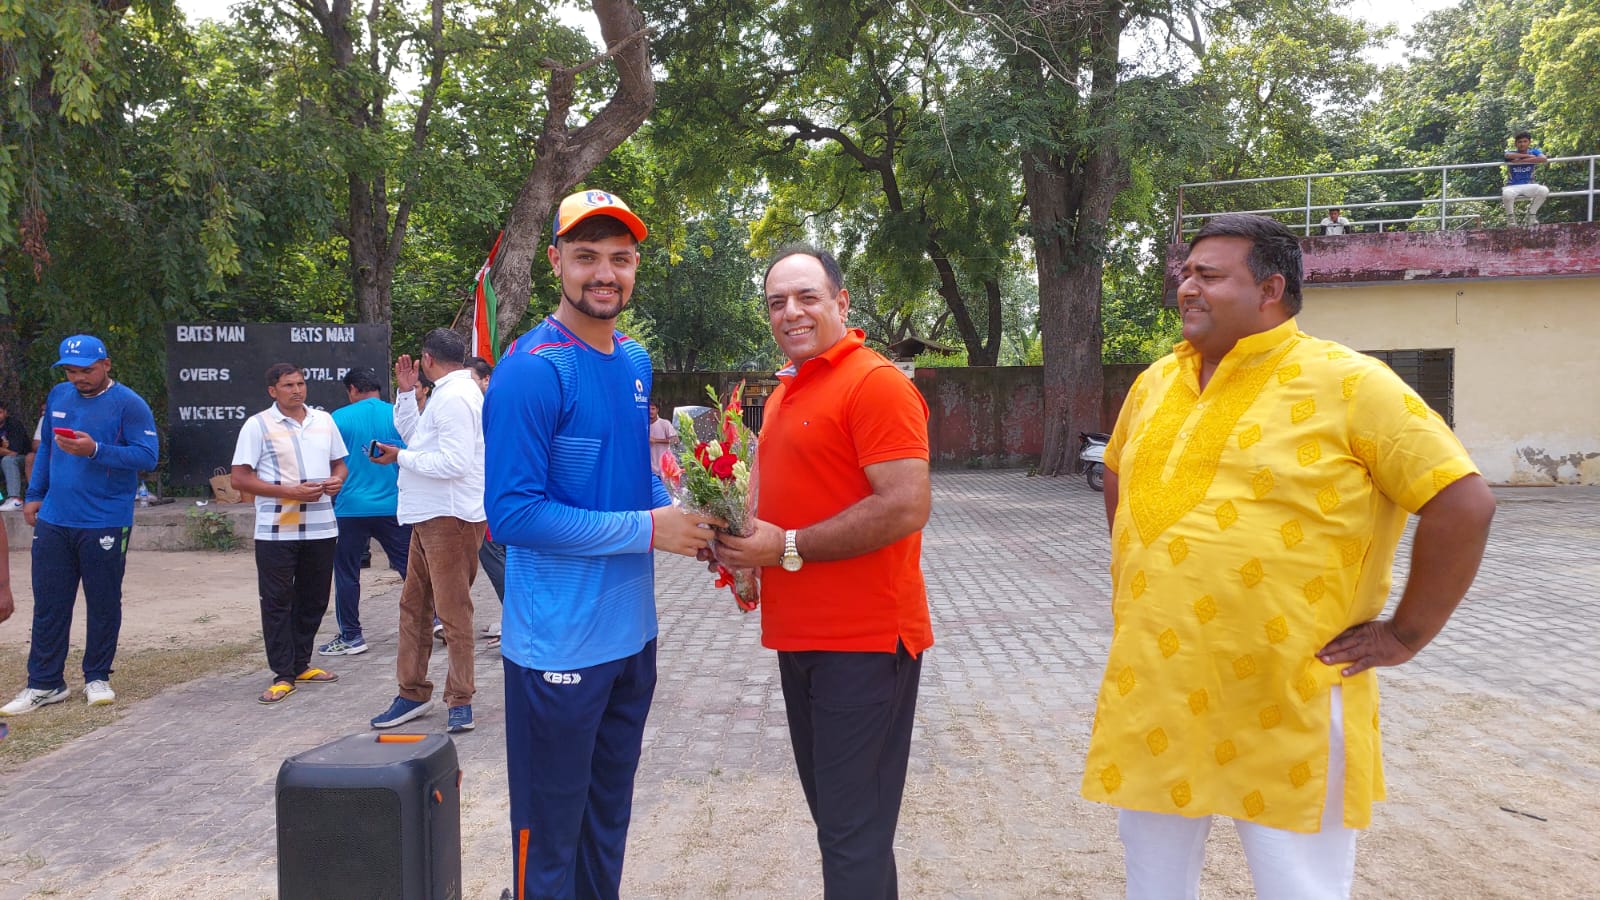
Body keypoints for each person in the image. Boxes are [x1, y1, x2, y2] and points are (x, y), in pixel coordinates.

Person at [1082, 213, 1497, 899]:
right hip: (1156, 678)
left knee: (1298, 884)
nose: (1187, 287)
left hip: (1289, 687)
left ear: (1270, 288)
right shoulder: (1156, 382)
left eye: (1209, 275)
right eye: (1185, 273)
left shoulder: (1351, 383)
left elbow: (1463, 501)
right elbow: (1120, 469)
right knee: (1152, 881)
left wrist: (1405, 634)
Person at [482, 188, 720, 899]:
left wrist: (691, 522)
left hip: (632, 638)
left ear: (636, 266)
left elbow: (630, 473)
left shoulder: (634, 361)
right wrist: (649, 530)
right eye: (586, 256)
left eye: (620, 257)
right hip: (557, 647)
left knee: (607, 822)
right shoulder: (532, 369)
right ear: (556, 261)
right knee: (548, 840)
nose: (605, 273)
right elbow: (512, 516)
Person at [715, 245, 934, 899]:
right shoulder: (789, 388)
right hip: (804, 637)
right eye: (777, 302)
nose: (791, 311)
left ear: (841, 301)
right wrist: (736, 540)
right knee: (845, 827)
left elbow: (905, 505)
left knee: (850, 832)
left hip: (864, 643)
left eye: (807, 296)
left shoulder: (875, 383)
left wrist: (784, 545)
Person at [1, 335, 159, 715]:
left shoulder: (129, 403)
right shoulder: (59, 395)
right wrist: (35, 493)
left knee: (103, 600)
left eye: (86, 370)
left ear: (106, 364)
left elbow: (147, 456)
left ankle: (97, 676)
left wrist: (96, 450)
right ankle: (45, 683)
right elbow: (47, 448)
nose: (78, 378)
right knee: (50, 602)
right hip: (55, 518)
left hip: (105, 519)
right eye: (71, 370)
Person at [368, 328, 487, 734]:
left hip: (450, 517)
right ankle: (412, 691)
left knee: (452, 611)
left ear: (427, 359)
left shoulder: (455, 397)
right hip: (431, 514)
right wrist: (406, 394)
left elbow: (453, 463)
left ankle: (460, 698)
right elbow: (417, 439)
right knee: (415, 607)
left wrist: (401, 457)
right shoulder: (448, 393)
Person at [231, 363, 347, 704]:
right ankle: (282, 673)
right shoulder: (257, 425)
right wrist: (289, 492)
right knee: (277, 601)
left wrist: (337, 480)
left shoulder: (323, 420)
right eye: (288, 385)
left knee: (315, 598)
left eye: (300, 383)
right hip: (276, 530)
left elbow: (340, 463)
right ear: (273, 391)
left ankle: (301, 663)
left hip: (321, 526)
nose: (296, 390)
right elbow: (239, 478)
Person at [320, 367, 411, 657]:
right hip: (393, 506)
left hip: (350, 508)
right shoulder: (398, 414)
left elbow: (328, 461)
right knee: (413, 570)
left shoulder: (337, 418)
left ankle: (351, 636)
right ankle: (435, 619)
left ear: (352, 390)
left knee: (347, 573)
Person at [466, 356, 506, 647]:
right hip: (483, 496)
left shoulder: (491, 410)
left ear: (486, 379)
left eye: (470, 380)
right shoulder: (476, 408)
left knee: (495, 556)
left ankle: (518, 620)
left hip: (494, 497)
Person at [1502, 132, 1551, 225]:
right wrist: (1529, 157)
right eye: (1520, 142)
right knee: (1506, 194)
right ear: (1516, 144)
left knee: (1544, 190)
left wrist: (1521, 161)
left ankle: (1531, 215)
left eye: (1525, 141)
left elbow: (1543, 159)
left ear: (1529, 142)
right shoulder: (1511, 152)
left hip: (1529, 184)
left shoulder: (1534, 151)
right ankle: (1510, 218)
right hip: (1513, 186)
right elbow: (1507, 156)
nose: (1522, 144)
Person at [0, 400, 33, 508]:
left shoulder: (14, 425)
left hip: (22, 459)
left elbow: (14, 452)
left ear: (5, 412)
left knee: (8, 460)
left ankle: (15, 499)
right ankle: (1, 499)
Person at [646, 400, 679, 475]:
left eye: (653, 409)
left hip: (664, 468)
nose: (650, 411)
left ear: (657, 410)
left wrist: (656, 440)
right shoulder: (643, 425)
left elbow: (676, 440)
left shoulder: (665, 423)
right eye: (648, 409)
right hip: (648, 469)